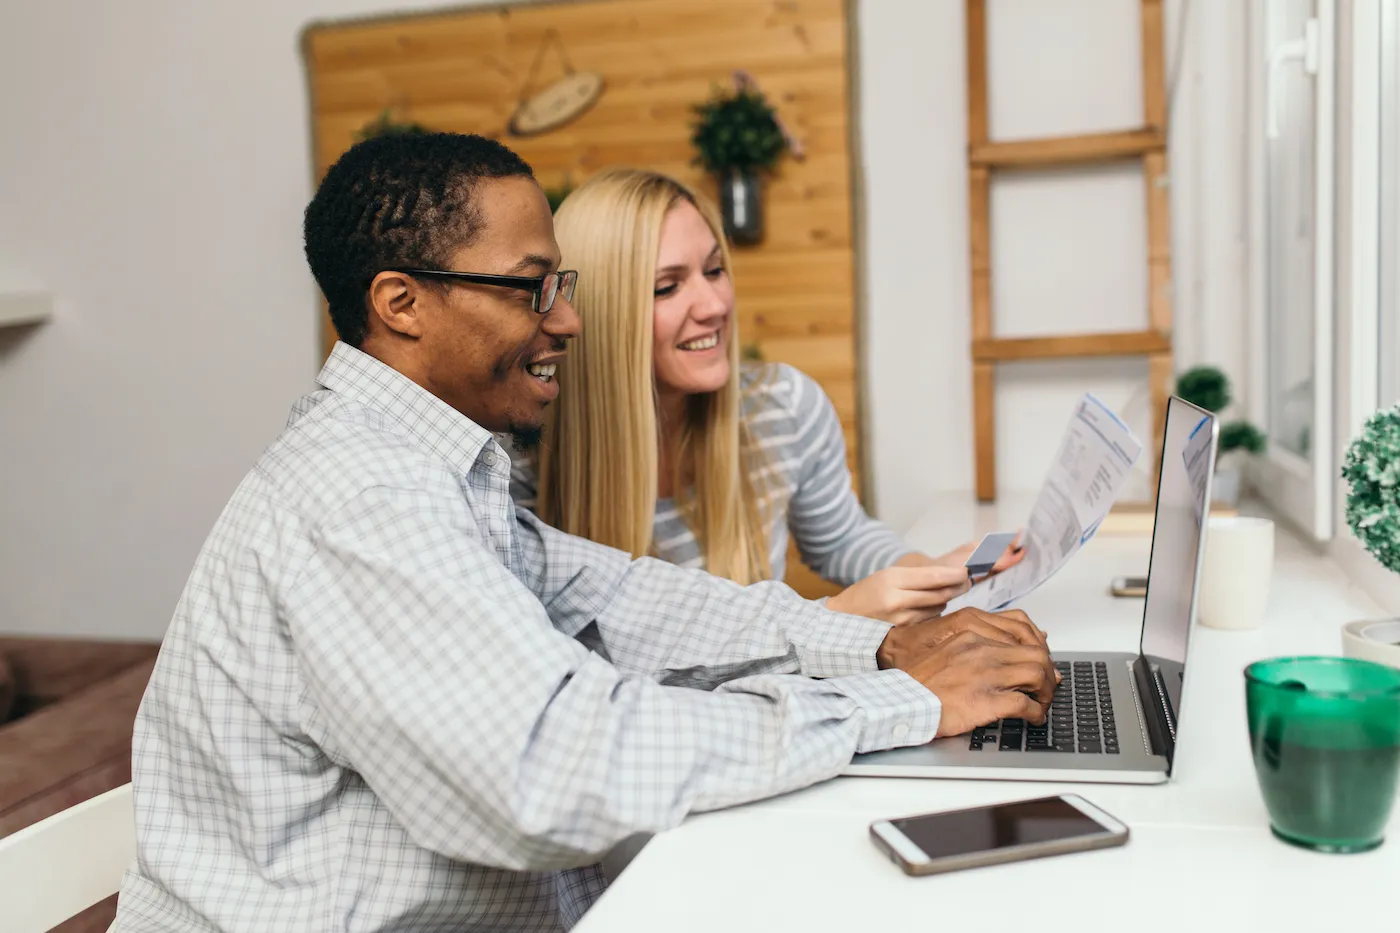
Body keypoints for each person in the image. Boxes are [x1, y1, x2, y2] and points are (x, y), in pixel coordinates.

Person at [114, 133, 1056, 933]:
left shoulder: (440, 465)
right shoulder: (362, 499)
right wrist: (901, 701)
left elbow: (626, 599)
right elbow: (559, 771)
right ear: (401, 305)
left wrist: (883, 645)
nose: (568, 318)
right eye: (533, 289)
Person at [513, 168, 1022, 627]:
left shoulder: (784, 404)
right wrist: (834, 616)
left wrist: (927, 571)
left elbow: (842, 538)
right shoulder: (521, 462)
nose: (714, 305)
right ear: (602, 311)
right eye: (667, 288)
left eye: (714, 270)